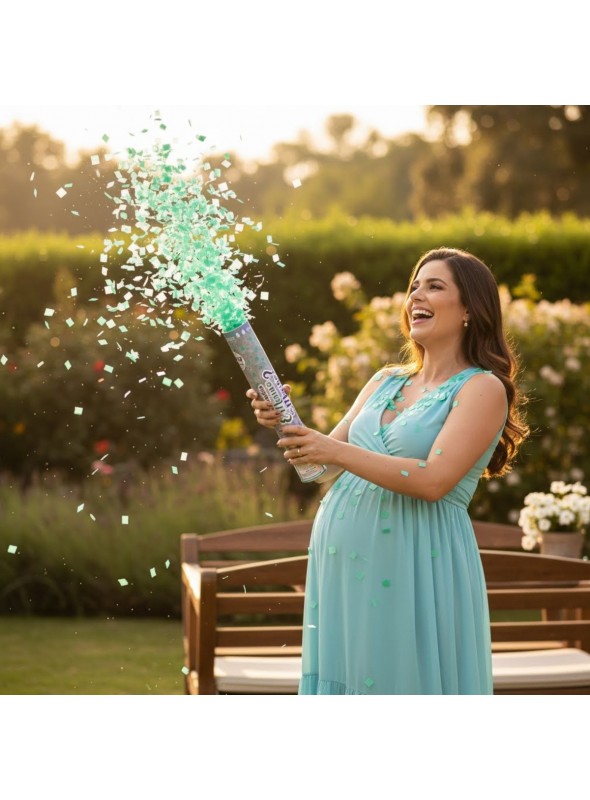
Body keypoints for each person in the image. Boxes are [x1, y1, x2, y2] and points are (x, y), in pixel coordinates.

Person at [247, 248, 529, 694]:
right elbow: (316, 467)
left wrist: (333, 452)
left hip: (417, 561)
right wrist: (283, 421)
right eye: (415, 285)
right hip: (341, 567)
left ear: (471, 310)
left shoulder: (482, 388)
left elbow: (433, 481)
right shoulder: (385, 381)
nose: (417, 294)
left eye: (435, 286)